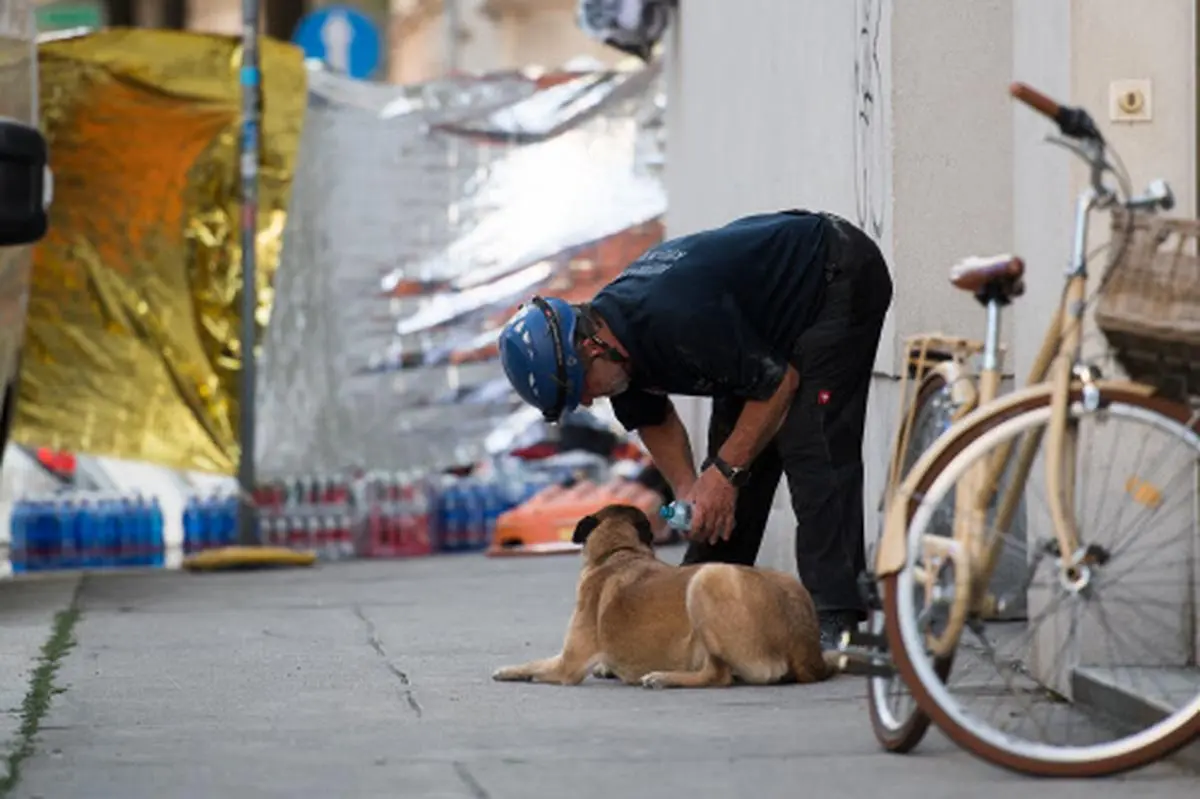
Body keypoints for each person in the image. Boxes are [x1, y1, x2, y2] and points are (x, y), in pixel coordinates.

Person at [496, 209, 894, 650]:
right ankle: (697, 609)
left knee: (808, 442)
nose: (588, 401)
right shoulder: (613, 342)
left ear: (591, 347)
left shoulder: (676, 316)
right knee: (725, 468)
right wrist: (688, 490)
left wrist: (723, 474)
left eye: (581, 389)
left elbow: (780, 383)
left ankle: (835, 615)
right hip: (756, 326)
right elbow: (653, 418)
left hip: (832, 275)